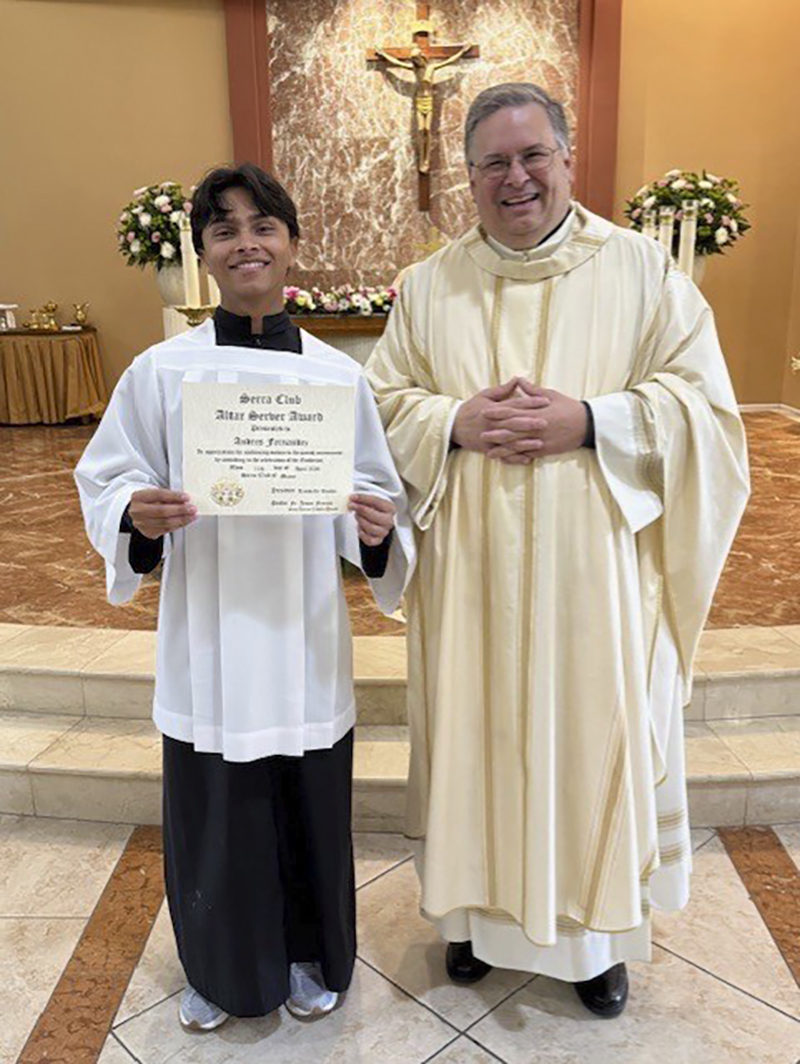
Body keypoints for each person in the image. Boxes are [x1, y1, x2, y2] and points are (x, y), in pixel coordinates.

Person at [365, 83, 749, 1018]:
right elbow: (375, 408)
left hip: (592, 583)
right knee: (475, 736)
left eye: (533, 155)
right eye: (493, 162)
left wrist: (593, 421)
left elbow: (711, 418)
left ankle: (592, 940)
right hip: (469, 581)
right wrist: (453, 419)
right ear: (467, 176)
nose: (516, 178)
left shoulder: (642, 273)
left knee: (583, 740)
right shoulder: (429, 285)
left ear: (568, 159)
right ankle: (471, 917)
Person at [75, 163, 413, 1030]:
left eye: (262, 225)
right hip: (211, 635)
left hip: (301, 631)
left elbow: (371, 494)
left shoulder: (338, 377)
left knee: (306, 802)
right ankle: (221, 968)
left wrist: (374, 531)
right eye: (223, 230)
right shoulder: (162, 372)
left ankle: (309, 954)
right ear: (204, 255)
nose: (246, 243)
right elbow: (108, 478)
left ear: (291, 241)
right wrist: (137, 515)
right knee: (219, 812)